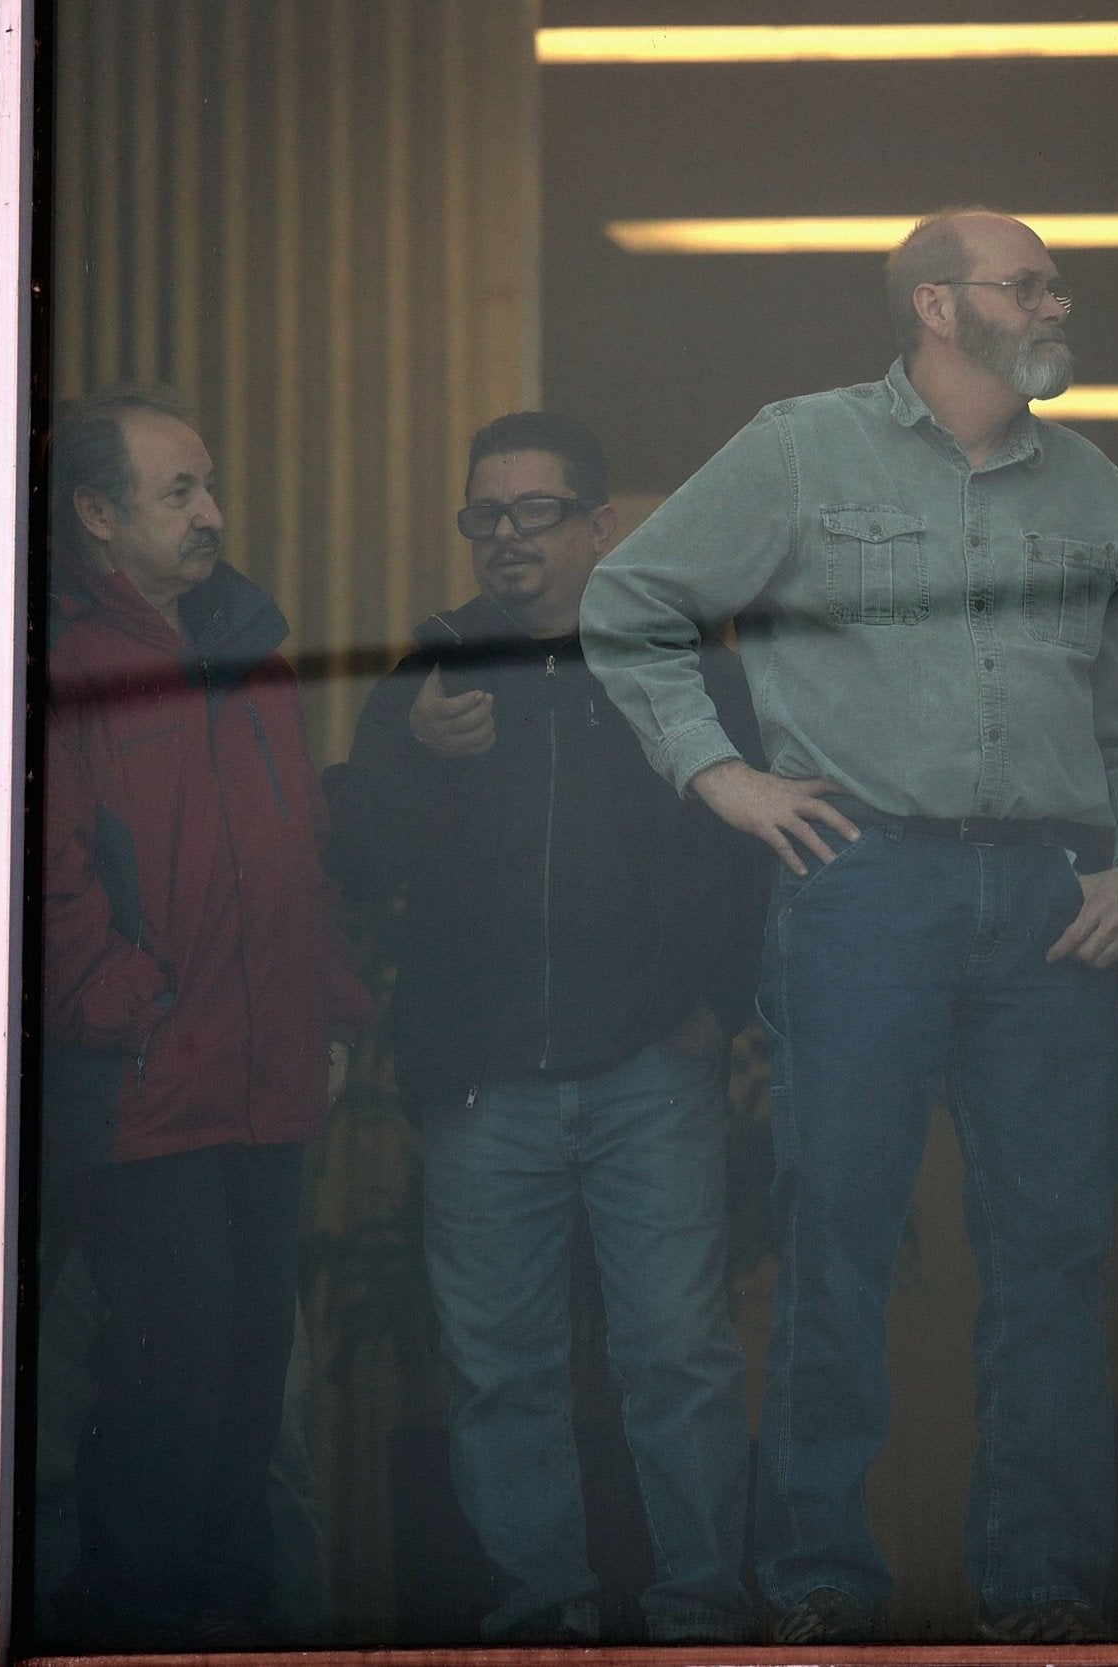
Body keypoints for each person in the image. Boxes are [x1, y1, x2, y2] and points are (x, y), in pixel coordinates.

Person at [580, 209, 1118, 1644]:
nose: (1057, 303)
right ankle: (815, 1587)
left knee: (1049, 1253)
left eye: (1052, 284)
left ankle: (1039, 1588)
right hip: (862, 885)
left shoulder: (1092, 482)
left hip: (1053, 899)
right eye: (1026, 285)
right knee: (838, 1241)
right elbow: (629, 597)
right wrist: (716, 774)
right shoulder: (801, 445)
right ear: (937, 304)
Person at [327, 411, 764, 1644]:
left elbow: (752, 851)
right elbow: (357, 860)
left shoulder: (677, 659)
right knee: (497, 1373)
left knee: (677, 1359)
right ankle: (541, 1616)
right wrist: (414, 757)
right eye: (486, 515)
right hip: (481, 1084)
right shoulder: (431, 673)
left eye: (535, 511)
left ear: (596, 524)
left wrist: (713, 1008)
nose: (507, 537)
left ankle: (699, 1615)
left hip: (649, 1068)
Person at [41, 385, 371, 1646]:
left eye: (209, 485)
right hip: (150, 1092)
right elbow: (44, 874)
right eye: (178, 491)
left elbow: (305, 857)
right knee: (164, 1408)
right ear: (96, 513)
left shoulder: (255, 649)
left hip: (272, 1085)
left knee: (244, 1406)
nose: (212, 514)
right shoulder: (62, 663)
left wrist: (333, 1012)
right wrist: (131, 1004)